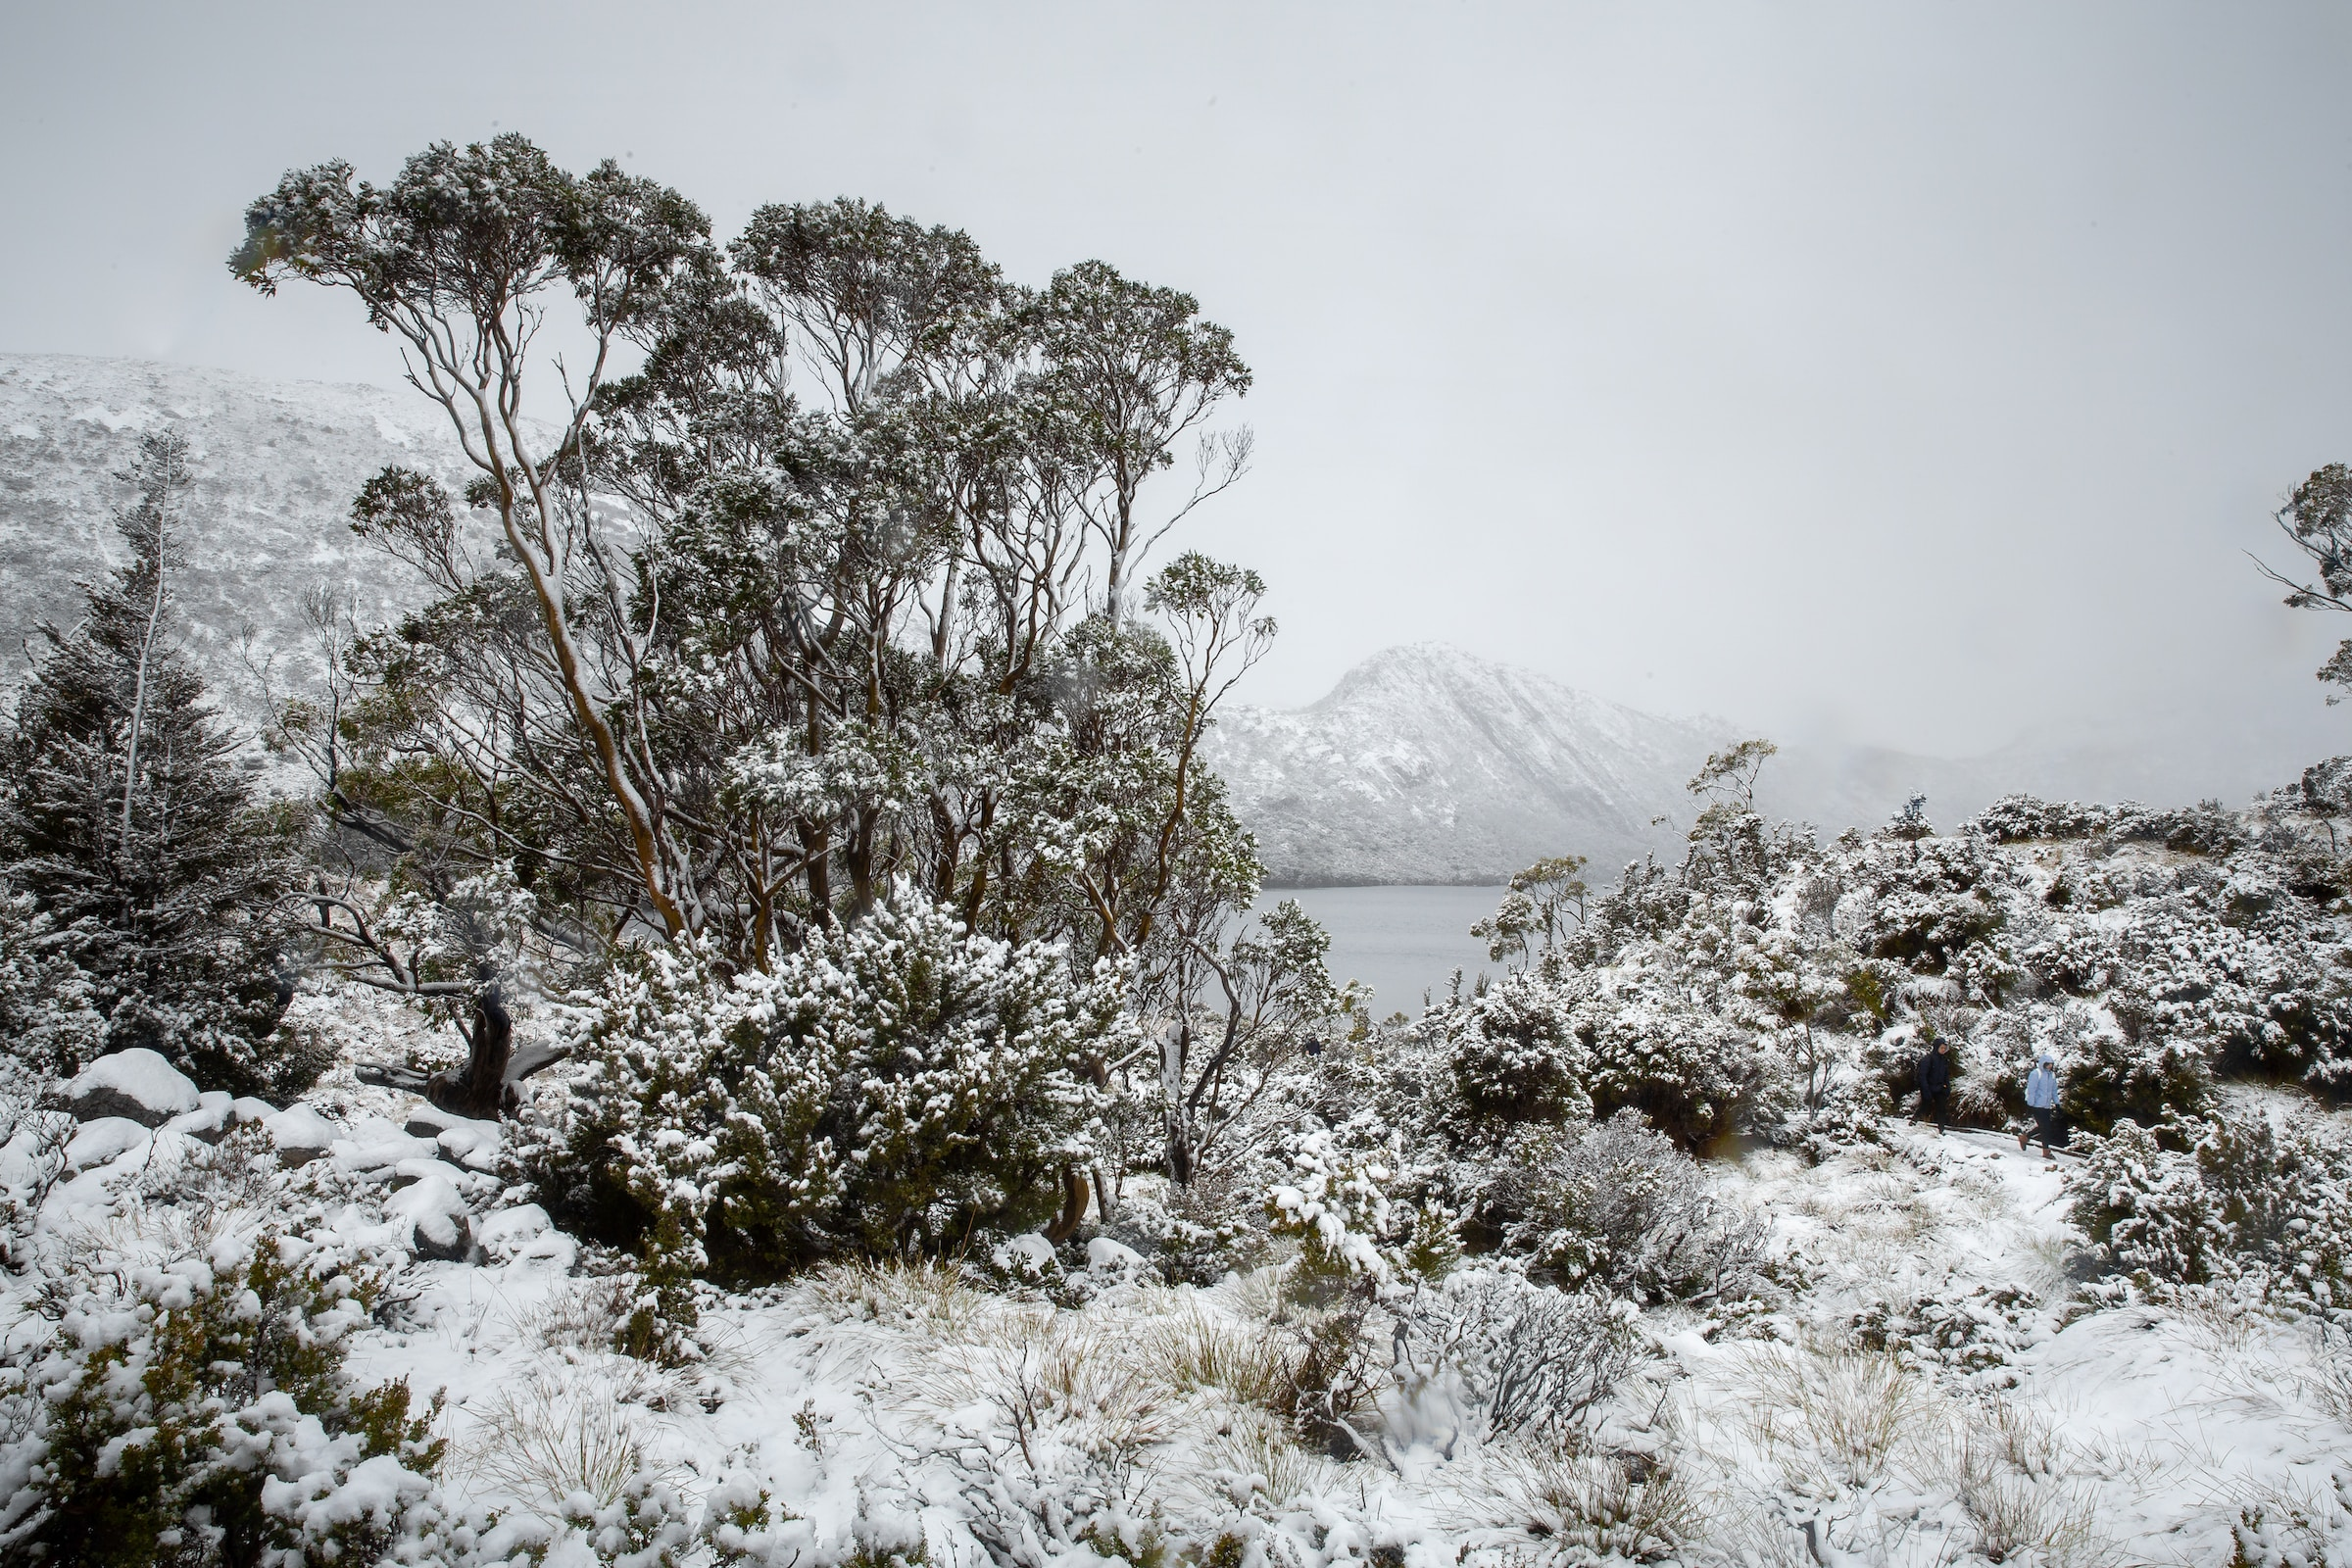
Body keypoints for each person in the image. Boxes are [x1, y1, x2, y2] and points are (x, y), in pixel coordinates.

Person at [2021, 1052, 2060, 1160]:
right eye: (2047, 1064)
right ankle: (2046, 1151)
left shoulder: (2052, 1075)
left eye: (2051, 1064)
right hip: (2037, 1105)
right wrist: (2030, 1104)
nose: (2050, 1066)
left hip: (2046, 1106)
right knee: (2045, 1128)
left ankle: (2025, 1137)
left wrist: (2057, 1104)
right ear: (2043, 1063)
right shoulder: (2036, 1073)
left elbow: (2053, 1091)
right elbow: (2031, 1090)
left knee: (2045, 1127)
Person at [1916, 1037, 1954, 1134]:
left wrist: (1947, 1088)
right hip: (1929, 1087)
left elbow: (1946, 1075)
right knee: (1925, 1106)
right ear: (1936, 1047)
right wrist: (1925, 1090)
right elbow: (1922, 1075)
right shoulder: (1928, 1059)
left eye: (1944, 1048)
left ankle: (1941, 1130)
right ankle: (1913, 1121)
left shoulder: (1944, 1060)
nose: (1943, 1050)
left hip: (1940, 1088)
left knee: (1942, 1108)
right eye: (1941, 1048)